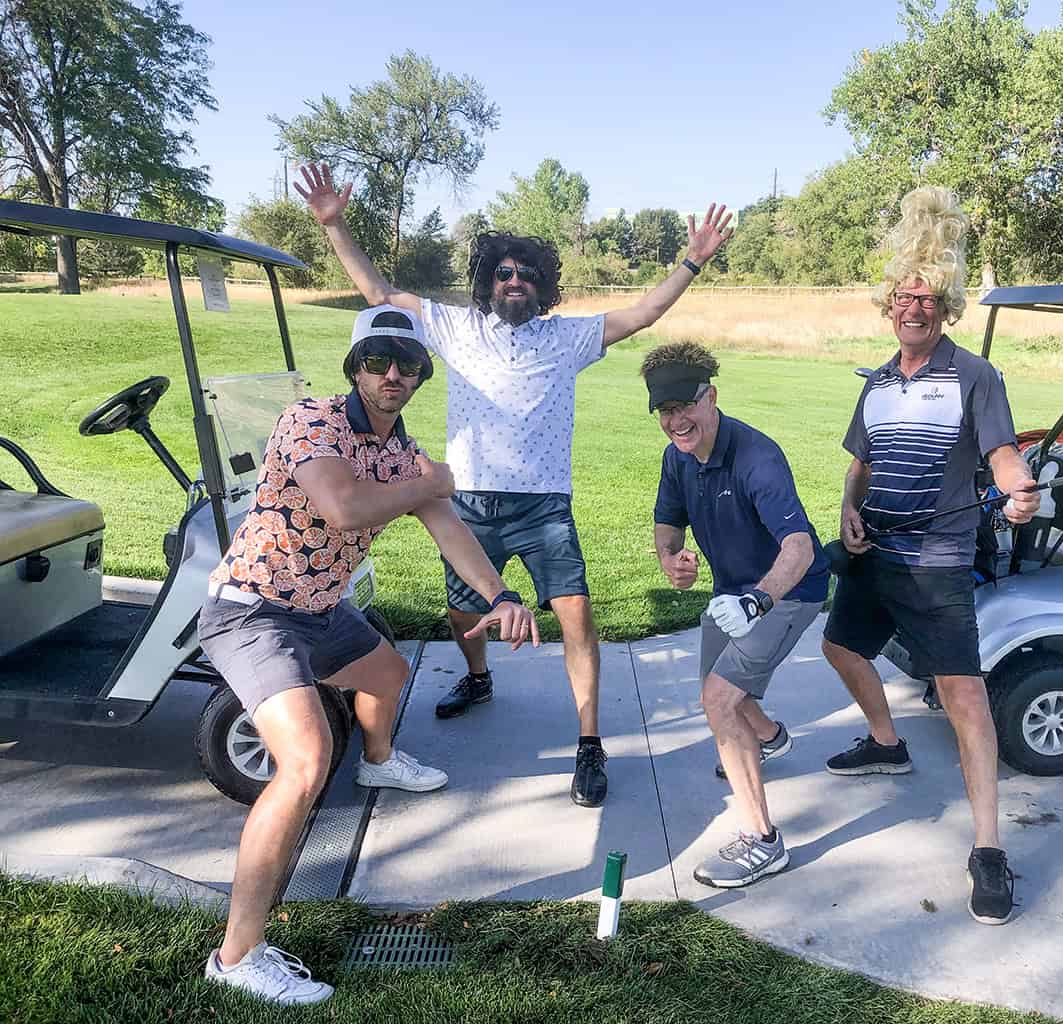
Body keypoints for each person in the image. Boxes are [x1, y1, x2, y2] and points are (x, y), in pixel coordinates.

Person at [296, 162, 732, 808]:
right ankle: (478, 679)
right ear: (488, 281)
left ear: (542, 285)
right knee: (463, 614)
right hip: (467, 503)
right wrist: (335, 224)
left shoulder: (567, 337)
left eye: (526, 273)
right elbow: (380, 293)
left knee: (576, 616)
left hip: (544, 507)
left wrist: (692, 262)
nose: (515, 280)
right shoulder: (456, 327)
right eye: (503, 272)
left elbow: (643, 313)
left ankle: (589, 743)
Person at [200, 305, 538, 1005]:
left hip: (322, 608)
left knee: (388, 673)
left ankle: (380, 762)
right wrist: (432, 483)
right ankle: (236, 957)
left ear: (419, 375)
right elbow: (344, 508)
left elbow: (448, 529)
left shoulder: (403, 454)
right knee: (305, 765)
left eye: (407, 364)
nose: (392, 375)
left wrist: (502, 594)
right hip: (253, 610)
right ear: (355, 368)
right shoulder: (311, 421)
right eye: (378, 361)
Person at [820, 187, 1040, 925]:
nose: (912, 308)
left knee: (963, 696)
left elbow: (1002, 454)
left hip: (938, 559)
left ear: (944, 308)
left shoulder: (975, 376)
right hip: (874, 552)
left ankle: (988, 849)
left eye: (926, 299)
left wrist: (1018, 489)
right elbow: (861, 462)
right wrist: (848, 511)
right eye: (903, 297)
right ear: (888, 305)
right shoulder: (879, 381)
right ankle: (888, 744)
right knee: (839, 646)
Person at [646, 341, 830, 888]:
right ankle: (768, 738)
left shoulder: (757, 458)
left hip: (788, 591)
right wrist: (670, 559)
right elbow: (667, 521)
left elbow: (799, 547)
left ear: (711, 397)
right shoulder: (677, 457)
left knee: (719, 699)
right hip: (733, 593)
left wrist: (757, 601)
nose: (676, 421)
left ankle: (762, 842)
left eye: (685, 405)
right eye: (665, 411)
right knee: (717, 687)